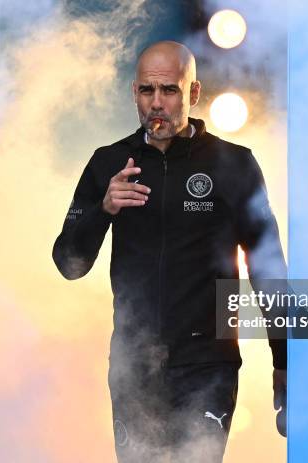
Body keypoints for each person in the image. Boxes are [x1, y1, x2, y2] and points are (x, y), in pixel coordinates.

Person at [53, 40, 287, 462]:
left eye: (169, 90)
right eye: (147, 91)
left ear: (193, 93)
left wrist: (285, 363)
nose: (156, 103)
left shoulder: (233, 164)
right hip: (133, 367)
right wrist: (103, 210)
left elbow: (269, 270)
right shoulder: (108, 163)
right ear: (134, 92)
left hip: (207, 366)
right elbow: (69, 264)